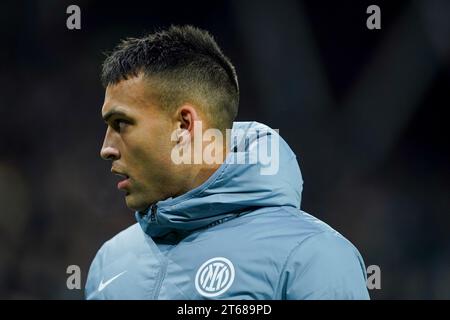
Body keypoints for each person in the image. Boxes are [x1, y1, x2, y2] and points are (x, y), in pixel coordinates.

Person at [85, 25, 370, 300]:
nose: (106, 149)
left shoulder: (312, 258)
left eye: (121, 123)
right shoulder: (109, 263)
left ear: (184, 126)